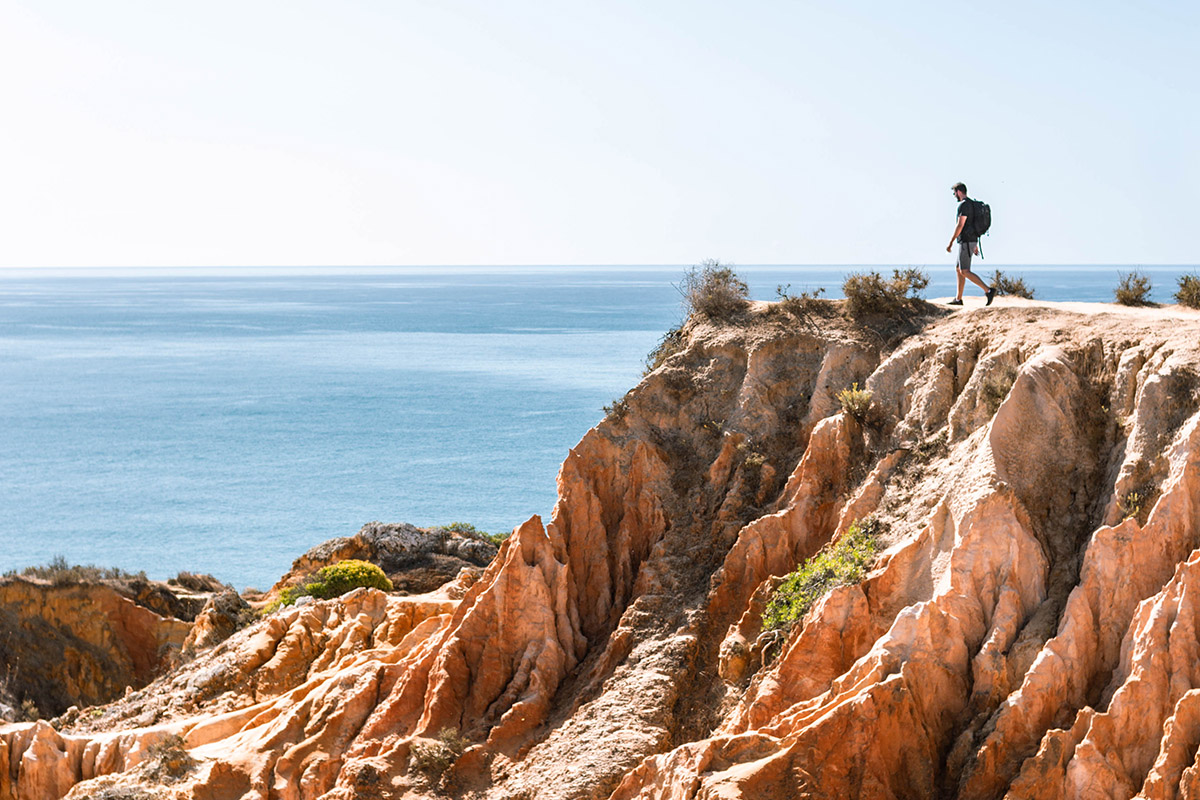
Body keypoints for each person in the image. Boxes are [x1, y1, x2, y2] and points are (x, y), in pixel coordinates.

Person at [946, 182, 995, 306]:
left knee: (965, 270)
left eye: (954, 193)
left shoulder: (963, 205)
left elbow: (960, 225)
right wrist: (975, 244)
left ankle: (988, 291)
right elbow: (973, 225)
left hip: (966, 242)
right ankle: (958, 299)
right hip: (970, 241)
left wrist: (951, 242)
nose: (954, 195)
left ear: (958, 192)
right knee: (959, 269)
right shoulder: (972, 204)